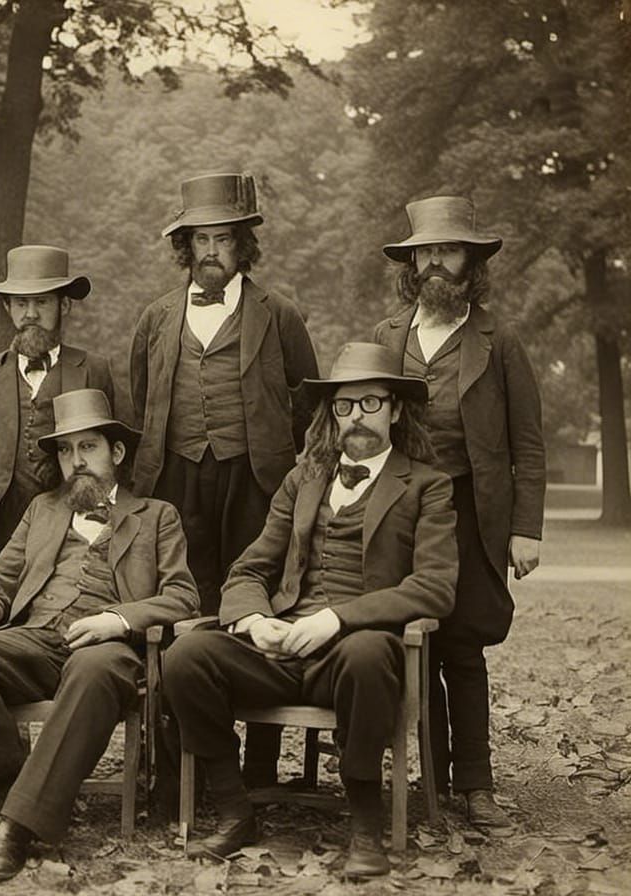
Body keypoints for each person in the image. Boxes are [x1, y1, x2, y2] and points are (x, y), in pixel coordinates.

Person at [163, 343, 457, 877]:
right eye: (344, 407)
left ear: (395, 408)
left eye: (371, 403)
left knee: (368, 654)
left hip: (352, 654)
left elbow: (435, 587)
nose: (356, 418)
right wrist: (256, 622)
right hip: (280, 650)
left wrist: (338, 618)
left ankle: (364, 824)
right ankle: (234, 809)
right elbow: (249, 571)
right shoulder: (303, 480)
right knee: (186, 655)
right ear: (331, 415)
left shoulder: (427, 486)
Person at [0, 389, 199, 880]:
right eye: (65, 450)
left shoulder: (156, 516)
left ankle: (12, 827)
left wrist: (117, 620)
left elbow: (182, 596)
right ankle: (14, 800)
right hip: (34, 639)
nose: (76, 462)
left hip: (108, 651)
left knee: (95, 665)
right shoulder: (42, 509)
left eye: (88, 448)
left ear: (115, 453)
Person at [375, 196, 545, 828]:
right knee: (411, 643)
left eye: (449, 251)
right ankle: (431, 784)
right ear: (412, 265)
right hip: (403, 512)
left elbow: (527, 442)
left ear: (471, 263)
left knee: (463, 649)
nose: (436, 264)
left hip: (473, 513)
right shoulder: (387, 337)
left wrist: (525, 528)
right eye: (426, 253)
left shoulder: (501, 340)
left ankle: (476, 786)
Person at [129, 171, 319, 616]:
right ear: (186, 246)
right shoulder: (156, 318)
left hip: (253, 476)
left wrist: (271, 447)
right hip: (179, 474)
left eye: (223, 239)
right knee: (184, 586)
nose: (211, 251)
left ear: (243, 245)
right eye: (201, 240)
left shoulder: (280, 315)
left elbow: (309, 401)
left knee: (251, 582)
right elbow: (141, 401)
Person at [0, 245, 114, 586]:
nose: (30, 313)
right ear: (7, 308)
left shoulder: (93, 370)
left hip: (69, 520)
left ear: (64, 305)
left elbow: (115, 452)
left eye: (42, 302)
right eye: (21, 303)